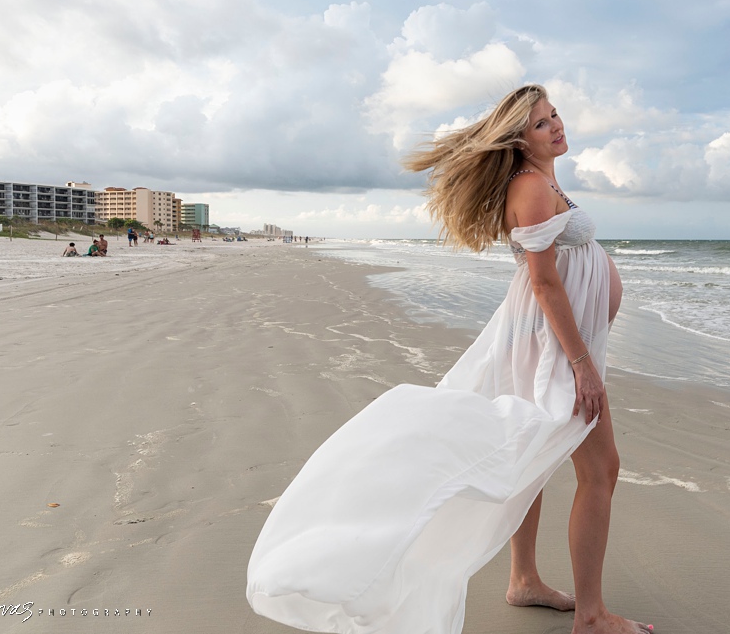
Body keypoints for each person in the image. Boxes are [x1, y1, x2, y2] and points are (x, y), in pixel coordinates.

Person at [247, 85, 648, 634]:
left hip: (551, 336)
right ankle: (592, 616)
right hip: (554, 342)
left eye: (554, 116)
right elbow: (545, 279)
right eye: (540, 124)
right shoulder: (531, 186)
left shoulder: (544, 179)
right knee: (600, 468)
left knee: (529, 453)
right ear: (519, 139)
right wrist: (580, 361)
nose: (556, 126)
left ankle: (524, 580)